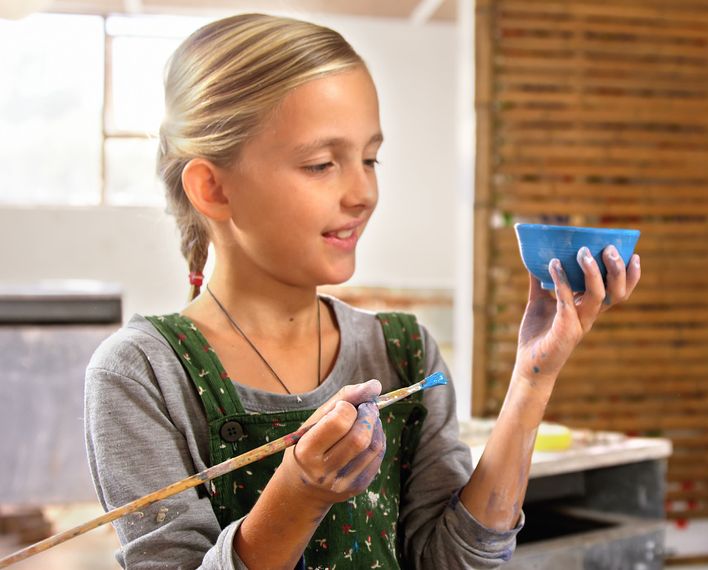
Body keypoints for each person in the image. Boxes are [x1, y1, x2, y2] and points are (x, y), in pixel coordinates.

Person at [83, 12, 642, 570]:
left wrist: (533, 378)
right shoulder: (143, 374)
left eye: (370, 158)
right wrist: (298, 495)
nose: (363, 193)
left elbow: (451, 561)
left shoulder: (403, 352)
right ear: (213, 187)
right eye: (322, 164)